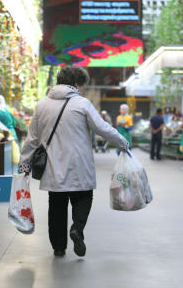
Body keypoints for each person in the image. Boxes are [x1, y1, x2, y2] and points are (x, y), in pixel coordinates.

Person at [19, 66, 129, 258]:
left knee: (56, 204)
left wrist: (24, 164)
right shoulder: (82, 104)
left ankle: (59, 247)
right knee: (83, 197)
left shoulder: (42, 104)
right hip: (79, 164)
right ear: (76, 83)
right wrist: (123, 142)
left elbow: (33, 139)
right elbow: (102, 128)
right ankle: (77, 228)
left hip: (53, 166)